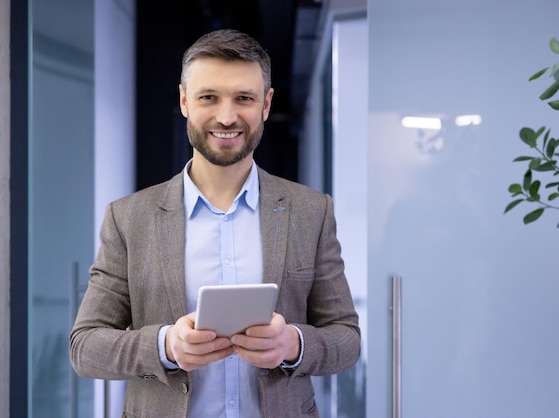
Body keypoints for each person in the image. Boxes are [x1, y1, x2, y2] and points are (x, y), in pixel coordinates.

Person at [69, 28, 360, 418]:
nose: (227, 116)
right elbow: (85, 348)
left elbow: (346, 339)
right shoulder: (129, 218)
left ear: (266, 105)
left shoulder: (311, 212)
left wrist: (292, 344)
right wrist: (166, 346)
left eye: (244, 98)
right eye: (209, 97)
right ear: (184, 100)